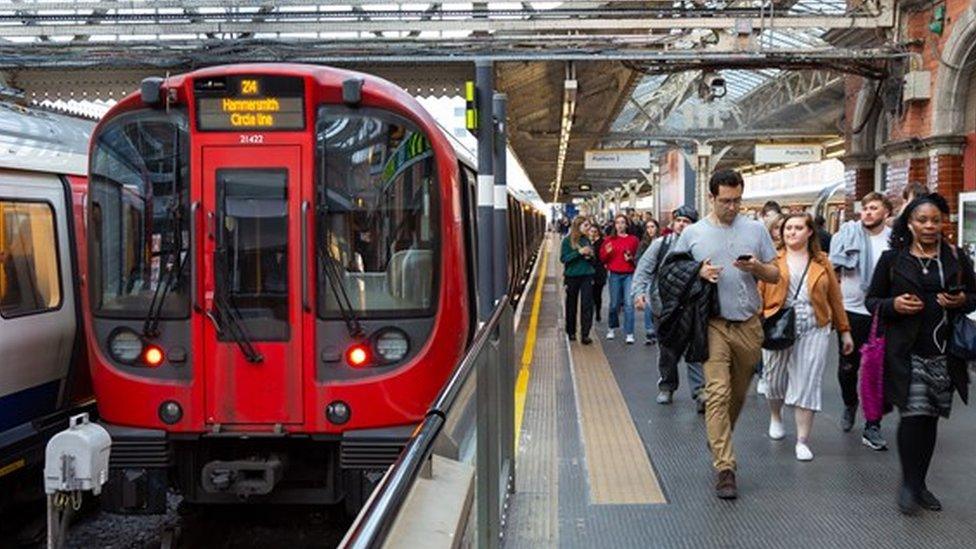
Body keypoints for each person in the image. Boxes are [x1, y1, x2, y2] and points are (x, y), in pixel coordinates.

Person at [669, 170, 779, 499]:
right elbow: (673, 271)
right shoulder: (693, 234)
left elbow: (774, 274)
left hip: (748, 323)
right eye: (726, 201)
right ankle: (725, 467)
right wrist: (698, 271)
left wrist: (757, 268)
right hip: (712, 323)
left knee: (738, 394)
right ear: (712, 198)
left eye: (737, 200)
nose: (732, 207)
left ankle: (718, 435)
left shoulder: (756, 229)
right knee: (717, 393)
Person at [865, 193, 976, 515]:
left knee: (930, 420)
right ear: (909, 224)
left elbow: (974, 295)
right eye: (922, 220)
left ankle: (920, 483)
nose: (929, 226)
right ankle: (909, 484)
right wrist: (893, 305)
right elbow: (872, 300)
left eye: (935, 220)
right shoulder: (893, 259)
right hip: (905, 350)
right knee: (913, 415)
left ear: (943, 222)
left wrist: (960, 302)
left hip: (945, 352)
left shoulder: (955, 257)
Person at [759, 213, 854, 461]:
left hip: (814, 324)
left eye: (798, 227)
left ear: (810, 232)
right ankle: (776, 416)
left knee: (807, 380)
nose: (791, 232)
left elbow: (835, 297)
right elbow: (758, 294)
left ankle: (802, 440)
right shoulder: (771, 260)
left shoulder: (822, 262)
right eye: (788, 228)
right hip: (777, 322)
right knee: (774, 379)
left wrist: (844, 331)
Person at [828, 192, 893, 450]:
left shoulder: (893, 241)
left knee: (876, 370)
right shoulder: (847, 235)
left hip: (881, 312)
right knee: (847, 367)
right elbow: (833, 268)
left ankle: (873, 423)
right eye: (865, 208)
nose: (867, 212)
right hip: (851, 310)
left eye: (874, 208)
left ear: (886, 213)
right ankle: (849, 402)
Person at [632, 205, 704, 408]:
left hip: (692, 306)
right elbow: (644, 270)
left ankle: (699, 392)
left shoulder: (700, 246)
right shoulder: (660, 245)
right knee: (667, 350)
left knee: (695, 348)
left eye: (686, 221)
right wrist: (638, 293)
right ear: (673, 223)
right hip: (662, 307)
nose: (681, 224)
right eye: (679, 220)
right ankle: (667, 386)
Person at [600, 214, 640, 343]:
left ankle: (629, 333)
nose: (620, 225)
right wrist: (608, 252)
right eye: (618, 223)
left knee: (629, 304)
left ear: (627, 225)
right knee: (614, 304)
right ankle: (611, 327)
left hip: (629, 274)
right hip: (614, 274)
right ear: (614, 225)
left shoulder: (634, 240)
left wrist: (631, 259)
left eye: (623, 222)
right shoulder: (609, 240)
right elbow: (603, 259)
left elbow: (638, 258)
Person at [560, 217, 596, 345]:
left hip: (587, 275)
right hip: (572, 276)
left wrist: (590, 256)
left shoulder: (587, 240)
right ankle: (571, 332)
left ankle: (585, 334)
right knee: (571, 304)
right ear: (578, 226)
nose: (589, 228)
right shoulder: (566, 241)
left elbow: (594, 259)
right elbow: (563, 258)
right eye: (586, 225)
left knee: (587, 305)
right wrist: (579, 252)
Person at [637, 218, 661, 343]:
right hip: (649, 277)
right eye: (648, 227)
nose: (650, 229)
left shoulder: (663, 242)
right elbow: (639, 260)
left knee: (658, 303)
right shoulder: (644, 244)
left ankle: (658, 329)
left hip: (660, 277)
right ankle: (649, 330)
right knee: (648, 304)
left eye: (652, 226)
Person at [587, 224, 608, 323]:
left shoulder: (603, 242)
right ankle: (591, 313)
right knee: (589, 294)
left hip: (599, 272)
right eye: (591, 231)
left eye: (595, 231)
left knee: (597, 294)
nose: (593, 233)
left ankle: (598, 312)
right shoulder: (586, 242)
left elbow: (603, 257)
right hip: (588, 272)